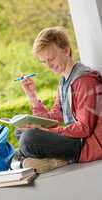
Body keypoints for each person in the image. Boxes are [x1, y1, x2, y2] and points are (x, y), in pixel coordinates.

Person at [13, 26, 102, 173]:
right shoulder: (64, 82)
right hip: (73, 140)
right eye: (43, 62)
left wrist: (47, 131)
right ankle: (49, 159)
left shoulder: (85, 81)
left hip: (86, 145)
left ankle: (51, 159)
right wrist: (32, 96)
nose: (48, 66)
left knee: (29, 138)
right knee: (21, 130)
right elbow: (54, 117)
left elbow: (84, 128)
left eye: (51, 59)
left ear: (66, 50)